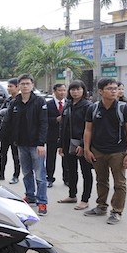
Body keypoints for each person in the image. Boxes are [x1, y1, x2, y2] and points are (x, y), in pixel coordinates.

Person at [83, 77, 127, 225]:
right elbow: (88, 130)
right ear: (100, 91)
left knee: (119, 183)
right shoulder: (93, 108)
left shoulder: (123, 109)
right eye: (110, 89)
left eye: (116, 88)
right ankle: (101, 206)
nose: (114, 91)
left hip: (118, 152)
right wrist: (87, 149)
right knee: (101, 180)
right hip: (98, 151)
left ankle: (116, 211)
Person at [0, 74, 49, 215]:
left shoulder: (39, 101)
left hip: (36, 145)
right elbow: (6, 123)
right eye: (22, 84)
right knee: (26, 173)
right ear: (18, 86)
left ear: (32, 85)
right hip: (21, 144)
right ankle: (30, 196)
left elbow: (44, 123)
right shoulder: (14, 103)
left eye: (28, 83)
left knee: (40, 175)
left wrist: (41, 143)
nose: (25, 86)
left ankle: (42, 202)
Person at [57, 80, 94, 210]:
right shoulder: (68, 105)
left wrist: (84, 145)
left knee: (86, 171)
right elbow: (63, 126)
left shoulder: (88, 106)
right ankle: (72, 195)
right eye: (72, 89)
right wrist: (60, 144)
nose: (75, 92)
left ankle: (85, 199)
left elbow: (89, 128)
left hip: (82, 144)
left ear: (83, 90)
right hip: (68, 143)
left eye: (78, 89)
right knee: (71, 170)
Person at [0, 78, 21, 184]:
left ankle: (16, 175)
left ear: (17, 87)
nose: (8, 88)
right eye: (8, 86)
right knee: (2, 154)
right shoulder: (8, 100)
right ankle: (1, 174)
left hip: (16, 134)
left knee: (16, 155)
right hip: (5, 132)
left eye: (10, 86)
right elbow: (0, 112)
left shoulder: (20, 101)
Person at [46, 83, 68, 188]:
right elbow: (44, 119)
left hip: (66, 135)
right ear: (54, 91)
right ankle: (49, 178)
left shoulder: (69, 103)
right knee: (51, 158)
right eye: (60, 90)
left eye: (64, 90)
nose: (62, 92)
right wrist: (56, 120)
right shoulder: (48, 104)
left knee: (66, 158)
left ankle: (67, 178)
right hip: (52, 135)